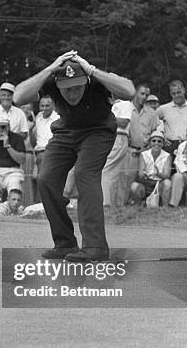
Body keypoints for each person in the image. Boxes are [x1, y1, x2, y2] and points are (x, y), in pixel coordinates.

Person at [13, 51, 135, 261]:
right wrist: (50, 69)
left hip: (98, 130)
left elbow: (129, 90)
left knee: (85, 175)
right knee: (46, 180)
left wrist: (93, 70)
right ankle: (64, 243)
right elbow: (18, 97)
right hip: (66, 130)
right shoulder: (52, 80)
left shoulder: (95, 79)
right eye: (66, 89)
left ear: (85, 80)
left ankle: (95, 247)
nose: (72, 94)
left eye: (77, 87)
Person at [157, 80, 187, 157]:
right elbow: (151, 125)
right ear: (171, 94)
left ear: (184, 91)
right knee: (169, 169)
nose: (177, 95)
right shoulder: (163, 109)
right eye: (174, 93)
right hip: (169, 146)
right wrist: (160, 136)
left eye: (179, 92)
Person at [101, 98, 133, 207]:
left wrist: (102, 115)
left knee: (107, 170)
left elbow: (124, 122)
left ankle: (106, 204)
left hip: (118, 136)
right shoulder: (111, 104)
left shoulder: (125, 104)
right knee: (114, 172)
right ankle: (113, 204)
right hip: (108, 137)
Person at [130, 130, 172, 207]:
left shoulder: (167, 156)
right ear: (150, 143)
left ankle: (165, 208)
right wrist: (143, 175)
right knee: (134, 186)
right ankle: (138, 207)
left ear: (163, 144)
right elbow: (140, 174)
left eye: (159, 141)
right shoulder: (143, 154)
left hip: (159, 184)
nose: (156, 143)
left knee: (167, 183)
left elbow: (167, 175)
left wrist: (158, 174)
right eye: (154, 141)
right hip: (146, 183)